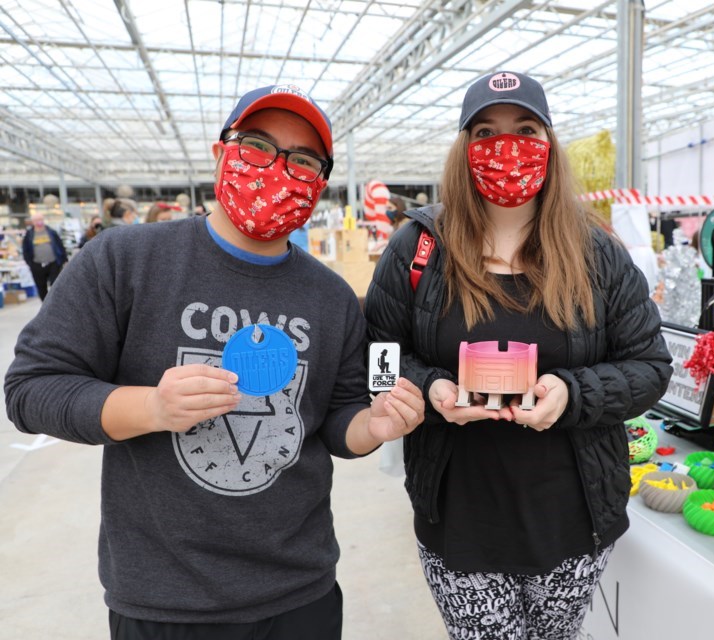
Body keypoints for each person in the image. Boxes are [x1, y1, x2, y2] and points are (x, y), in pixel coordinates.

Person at [5, 84, 426, 640]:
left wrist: (374, 427)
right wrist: (152, 406)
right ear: (220, 152)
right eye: (256, 145)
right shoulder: (125, 260)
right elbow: (31, 390)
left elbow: (338, 419)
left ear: (320, 181)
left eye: (301, 159)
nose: (276, 168)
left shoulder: (331, 297)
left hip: (300, 592)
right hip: (163, 599)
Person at [364, 71, 672, 639]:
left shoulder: (596, 252)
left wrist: (571, 394)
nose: (505, 147)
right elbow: (378, 356)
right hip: (458, 518)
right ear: (463, 149)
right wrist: (431, 390)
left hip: (572, 521)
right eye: (485, 132)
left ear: (549, 143)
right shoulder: (419, 247)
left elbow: (650, 367)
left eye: (524, 129)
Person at [21, 211, 68, 301]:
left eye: (40, 219)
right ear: (33, 222)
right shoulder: (29, 234)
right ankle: (45, 306)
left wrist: (64, 259)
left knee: (55, 285)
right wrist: (30, 263)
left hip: (53, 263)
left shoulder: (51, 232)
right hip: (37, 264)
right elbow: (25, 249)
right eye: (36, 220)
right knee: (41, 287)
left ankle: (55, 304)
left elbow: (59, 245)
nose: (39, 222)